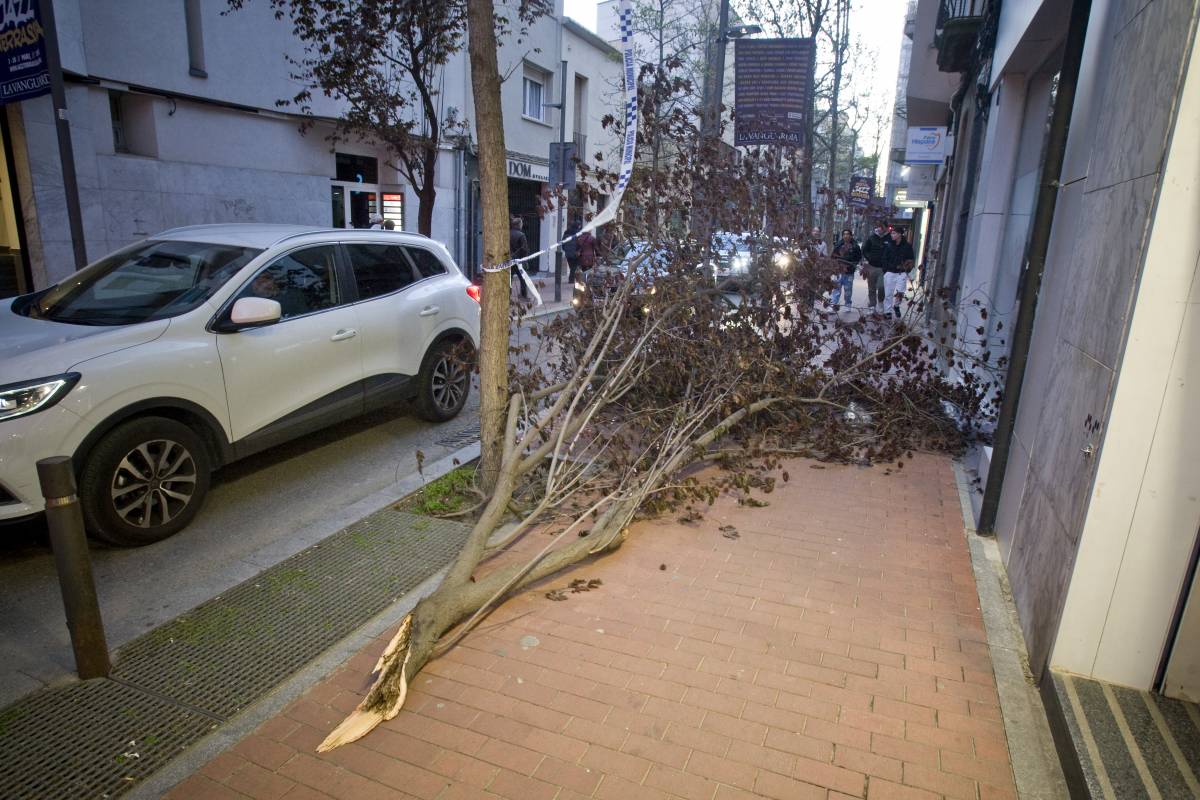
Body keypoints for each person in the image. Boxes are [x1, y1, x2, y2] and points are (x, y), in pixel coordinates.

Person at [882, 226, 915, 319]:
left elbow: (911, 259)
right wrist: (886, 270)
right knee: (888, 293)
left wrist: (907, 269)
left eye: (894, 233)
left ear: (900, 234)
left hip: (902, 272)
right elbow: (884, 258)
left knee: (900, 291)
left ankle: (896, 306)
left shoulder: (907, 246)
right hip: (890, 272)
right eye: (891, 233)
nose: (892, 235)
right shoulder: (889, 245)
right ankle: (887, 311)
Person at [830, 228, 862, 310]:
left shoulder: (855, 246)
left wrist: (853, 264)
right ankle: (833, 305)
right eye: (844, 234)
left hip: (849, 272)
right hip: (839, 271)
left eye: (848, 234)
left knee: (848, 290)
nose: (846, 236)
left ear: (851, 236)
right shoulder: (838, 245)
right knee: (836, 289)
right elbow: (833, 256)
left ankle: (848, 304)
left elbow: (858, 257)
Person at [861, 224, 888, 315]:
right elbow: (864, 249)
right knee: (871, 288)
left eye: (882, 227)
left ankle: (880, 303)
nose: (879, 228)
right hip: (872, 266)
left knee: (881, 287)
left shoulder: (889, 238)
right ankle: (872, 306)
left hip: (883, 268)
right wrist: (869, 258)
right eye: (878, 227)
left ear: (885, 228)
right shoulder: (872, 238)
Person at [509, 216, 530, 300]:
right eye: (521, 224)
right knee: (523, 279)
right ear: (519, 225)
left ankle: (507, 297)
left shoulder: (507, 233)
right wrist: (525, 258)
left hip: (509, 261)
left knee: (509, 280)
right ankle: (523, 296)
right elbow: (524, 249)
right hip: (519, 261)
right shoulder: (521, 235)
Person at [563, 217, 582, 282]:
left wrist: (565, 249)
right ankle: (571, 279)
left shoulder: (566, 231)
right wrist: (579, 250)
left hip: (568, 252)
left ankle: (572, 278)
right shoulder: (578, 232)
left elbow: (563, 242)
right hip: (575, 252)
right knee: (574, 266)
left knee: (571, 266)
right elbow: (580, 243)